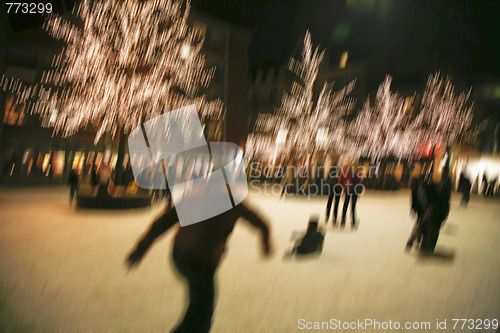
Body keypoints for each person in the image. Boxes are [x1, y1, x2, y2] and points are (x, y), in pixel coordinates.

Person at [126, 195, 272, 333]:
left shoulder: (233, 203)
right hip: (188, 257)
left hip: (198, 259)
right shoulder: (198, 199)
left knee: (200, 306)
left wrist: (265, 239)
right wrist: (141, 248)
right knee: (203, 307)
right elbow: (163, 222)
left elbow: (261, 223)